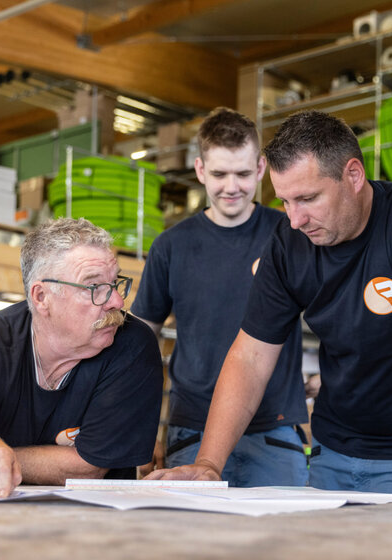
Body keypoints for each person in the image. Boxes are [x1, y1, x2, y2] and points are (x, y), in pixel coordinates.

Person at [149, 110, 392, 502]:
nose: (295, 219)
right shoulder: (288, 241)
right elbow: (250, 357)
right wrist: (209, 463)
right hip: (331, 453)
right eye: (285, 201)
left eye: (308, 199)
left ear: (354, 175)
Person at [0, 218, 163, 497]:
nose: (117, 302)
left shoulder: (132, 345)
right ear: (42, 296)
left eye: (115, 283)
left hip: (96, 522)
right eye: (95, 288)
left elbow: (88, 467)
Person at [132, 107, 308, 487]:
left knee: (286, 544)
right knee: (193, 545)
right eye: (219, 174)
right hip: (192, 429)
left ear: (262, 168)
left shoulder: (291, 233)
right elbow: (139, 343)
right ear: (199, 170)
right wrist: (141, 429)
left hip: (275, 430)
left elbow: (336, 309)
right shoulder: (170, 246)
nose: (232, 186)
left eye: (243, 174)